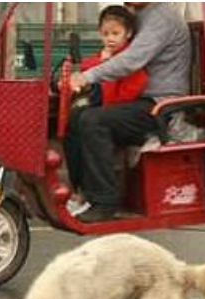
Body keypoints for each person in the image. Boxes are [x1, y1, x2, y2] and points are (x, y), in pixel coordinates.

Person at [66, 2, 190, 223]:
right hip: (139, 99)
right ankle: (80, 191)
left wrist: (89, 76)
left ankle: (105, 202)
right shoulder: (141, 15)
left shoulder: (161, 17)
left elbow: (131, 60)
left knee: (94, 121)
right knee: (76, 114)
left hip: (161, 104)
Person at [65, 5, 148, 213]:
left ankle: (103, 198)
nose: (110, 38)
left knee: (90, 121)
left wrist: (104, 66)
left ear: (128, 33)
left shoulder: (129, 59)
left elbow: (124, 91)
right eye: (105, 34)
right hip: (110, 105)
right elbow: (88, 67)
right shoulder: (106, 56)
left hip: (127, 110)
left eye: (115, 33)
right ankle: (78, 187)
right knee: (73, 120)